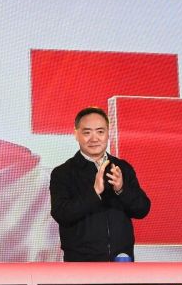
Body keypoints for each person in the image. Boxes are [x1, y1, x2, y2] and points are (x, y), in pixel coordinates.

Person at [50, 107, 151, 262]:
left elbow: (142, 209)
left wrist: (121, 189)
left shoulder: (122, 167)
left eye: (100, 132)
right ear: (76, 134)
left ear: (108, 133)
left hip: (121, 259)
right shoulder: (63, 172)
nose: (94, 138)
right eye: (87, 132)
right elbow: (61, 214)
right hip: (80, 263)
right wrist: (94, 192)